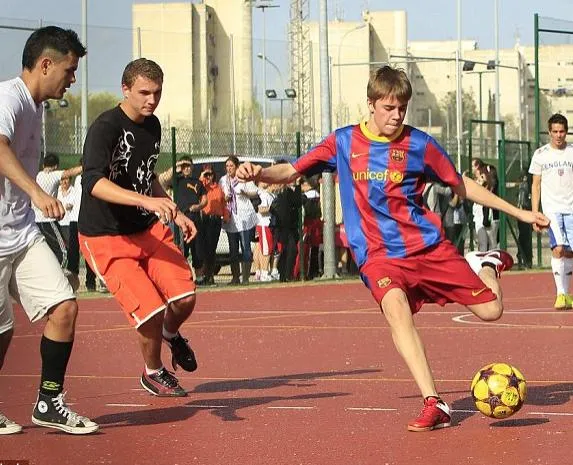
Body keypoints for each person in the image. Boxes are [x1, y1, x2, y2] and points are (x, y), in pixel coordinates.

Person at [236, 65, 549, 432]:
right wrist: (257, 174)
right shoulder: (343, 142)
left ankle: (487, 263)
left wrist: (519, 212)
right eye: (389, 107)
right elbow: (290, 171)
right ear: (371, 105)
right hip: (377, 255)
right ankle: (434, 402)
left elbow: (460, 184)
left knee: (492, 310)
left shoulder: (420, 145)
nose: (396, 115)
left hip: (426, 247)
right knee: (396, 308)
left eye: (402, 108)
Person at [78, 58, 199, 397]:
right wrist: (145, 201)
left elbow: (146, 180)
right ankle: (153, 371)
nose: (151, 100)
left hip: (147, 230)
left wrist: (173, 211)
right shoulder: (105, 127)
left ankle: (172, 336)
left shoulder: (153, 126)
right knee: (150, 311)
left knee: (185, 298)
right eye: (144, 92)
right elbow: (93, 183)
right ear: (125, 89)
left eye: (157, 93)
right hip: (105, 235)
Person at [0, 26, 97, 434]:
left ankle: (49, 401)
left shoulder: (37, 108)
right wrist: (38, 194)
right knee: (2, 331)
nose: (72, 79)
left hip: (20, 234)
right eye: (69, 70)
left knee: (64, 307)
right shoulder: (9, 97)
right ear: (45, 64)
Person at [529, 113, 573, 310]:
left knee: (570, 252)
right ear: (549, 132)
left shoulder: (572, 152)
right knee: (558, 249)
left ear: (567, 132)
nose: (558, 135)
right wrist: (535, 213)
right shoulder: (541, 154)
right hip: (552, 209)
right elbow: (535, 185)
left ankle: (567, 294)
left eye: (562, 131)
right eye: (555, 131)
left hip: (571, 208)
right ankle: (560, 294)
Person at [158, 156, 207, 280]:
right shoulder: (176, 181)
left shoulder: (198, 182)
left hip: (194, 218)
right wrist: (177, 166)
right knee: (180, 249)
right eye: (184, 166)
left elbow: (204, 200)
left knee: (198, 249)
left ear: (192, 167)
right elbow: (162, 180)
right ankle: (183, 277)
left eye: (188, 166)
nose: (186, 168)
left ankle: (200, 277)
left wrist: (198, 206)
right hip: (179, 219)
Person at [34, 153, 82, 270]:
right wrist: (88, 165)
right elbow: (70, 173)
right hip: (48, 221)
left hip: (36, 221)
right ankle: (55, 278)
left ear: (44, 164)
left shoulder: (38, 176)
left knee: (46, 252)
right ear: (56, 166)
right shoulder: (53, 175)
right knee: (63, 252)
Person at [219, 155, 258, 285]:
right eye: (227, 166)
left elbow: (255, 192)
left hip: (244, 217)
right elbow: (220, 197)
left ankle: (246, 278)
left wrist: (245, 193)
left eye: (231, 166)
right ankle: (235, 277)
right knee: (233, 250)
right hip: (231, 219)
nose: (229, 168)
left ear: (236, 166)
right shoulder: (223, 180)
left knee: (245, 248)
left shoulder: (243, 178)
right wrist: (225, 198)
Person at [198, 165, 228, 285]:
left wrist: (225, 215)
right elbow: (199, 186)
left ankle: (210, 275)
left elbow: (223, 203)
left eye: (210, 174)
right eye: (207, 174)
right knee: (204, 248)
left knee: (212, 249)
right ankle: (204, 275)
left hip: (215, 220)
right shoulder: (202, 187)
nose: (208, 177)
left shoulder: (218, 188)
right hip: (205, 219)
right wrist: (202, 176)